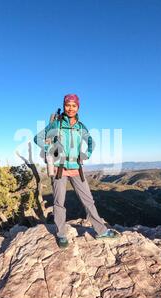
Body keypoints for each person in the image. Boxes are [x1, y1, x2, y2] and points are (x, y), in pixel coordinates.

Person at [34, 94, 120, 248]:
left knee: (88, 201)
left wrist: (86, 154)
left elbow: (91, 142)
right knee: (59, 203)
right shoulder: (56, 125)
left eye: (74, 105)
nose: (70, 108)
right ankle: (61, 234)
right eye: (68, 105)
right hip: (59, 169)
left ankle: (101, 231)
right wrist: (50, 149)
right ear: (64, 106)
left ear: (78, 107)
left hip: (77, 169)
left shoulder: (81, 126)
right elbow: (37, 138)